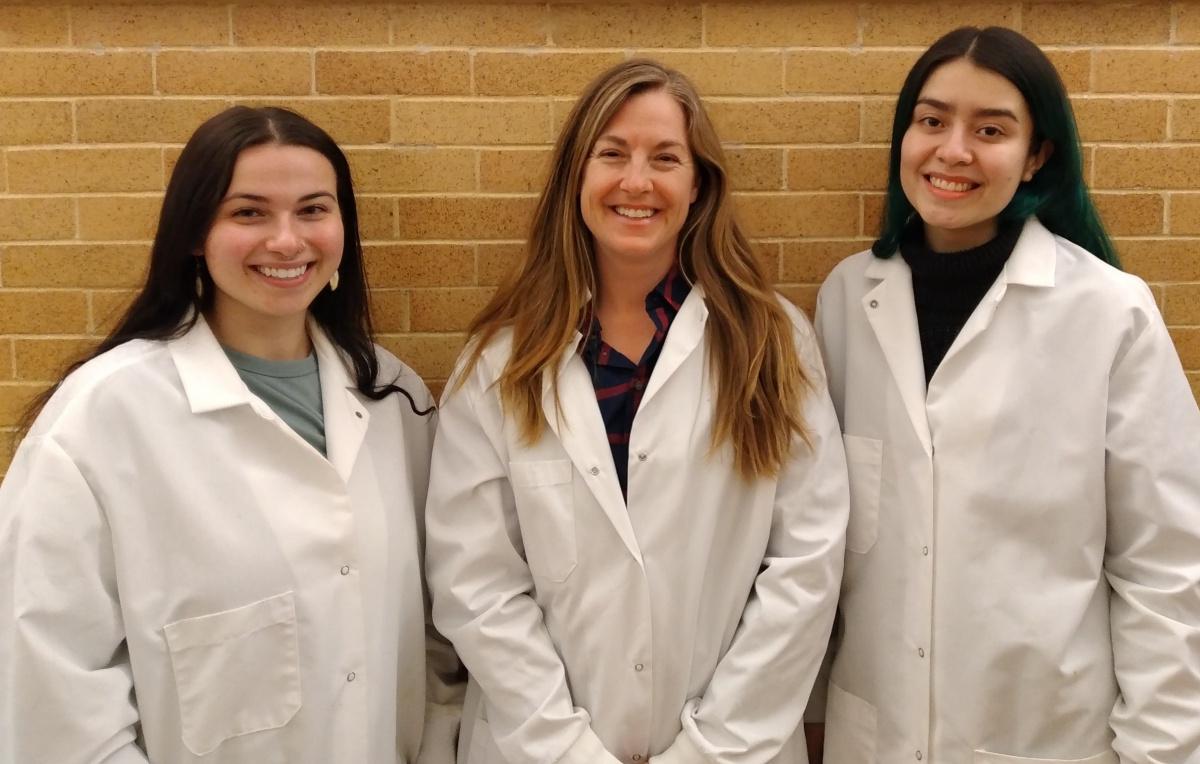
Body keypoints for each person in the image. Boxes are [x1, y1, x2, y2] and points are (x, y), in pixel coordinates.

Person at [0, 106, 461, 764]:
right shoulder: (102, 418)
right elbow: (51, 684)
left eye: (312, 210)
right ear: (194, 233)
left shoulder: (394, 398)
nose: (286, 240)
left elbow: (438, 634)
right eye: (249, 213)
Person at [424, 59, 848, 764]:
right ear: (576, 178)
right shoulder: (498, 362)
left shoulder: (771, 341)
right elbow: (477, 583)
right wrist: (568, 752)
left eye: (665, 158)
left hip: (732, 747)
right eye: (612, 154)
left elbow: (805, 566)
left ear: (698, 184)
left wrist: (709, 751)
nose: (636, 181)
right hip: (541, 748)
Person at [813, 26, 1200, 763]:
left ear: (1037, 156)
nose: (952, 150)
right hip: (877, 736)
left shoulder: (1108, 313)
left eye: (990, 129)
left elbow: (1169, 567)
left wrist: (1162, 750)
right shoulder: (844, 300)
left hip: (1047, 737)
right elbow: (814, 541)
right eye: (931, 121)